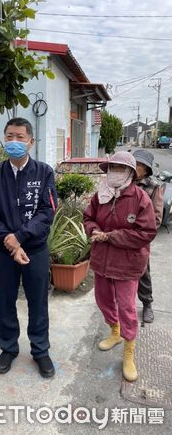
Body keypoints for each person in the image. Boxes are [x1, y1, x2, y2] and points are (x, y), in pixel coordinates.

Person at [0, 117, 57, 378]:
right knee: (6, 301)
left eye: (20, 137)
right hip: (4, 252)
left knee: (38, 302)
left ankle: (40, 350)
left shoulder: (44, 172)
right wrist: (9, 242)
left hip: (35, 250)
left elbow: (47, 211)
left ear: (31, 141)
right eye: (9, 136)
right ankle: (8, 348)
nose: (14, 142)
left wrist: (20, 238)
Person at [83, 151, 157, 382]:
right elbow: (88, 218)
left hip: (127, 264)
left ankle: (128, 351)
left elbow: (147, 232)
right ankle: (114, 332)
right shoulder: (101, 195)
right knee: (103, 300)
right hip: (102, 261)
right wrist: (94, 230)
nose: (115, 172)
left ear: (131, 173)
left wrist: (112, 236)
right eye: (112, 167)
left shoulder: (140, 198)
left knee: (126, 306)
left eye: (120, 168)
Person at [133, 150, 164, 323]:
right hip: (122, 236)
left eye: (141, 165)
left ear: (147, 169)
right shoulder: (125, 181)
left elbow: (156, 217)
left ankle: (147, 304)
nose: (137, 168)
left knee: (143, 271)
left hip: (140, 238)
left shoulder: (153, 185)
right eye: (135, 163)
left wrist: (141, 236)